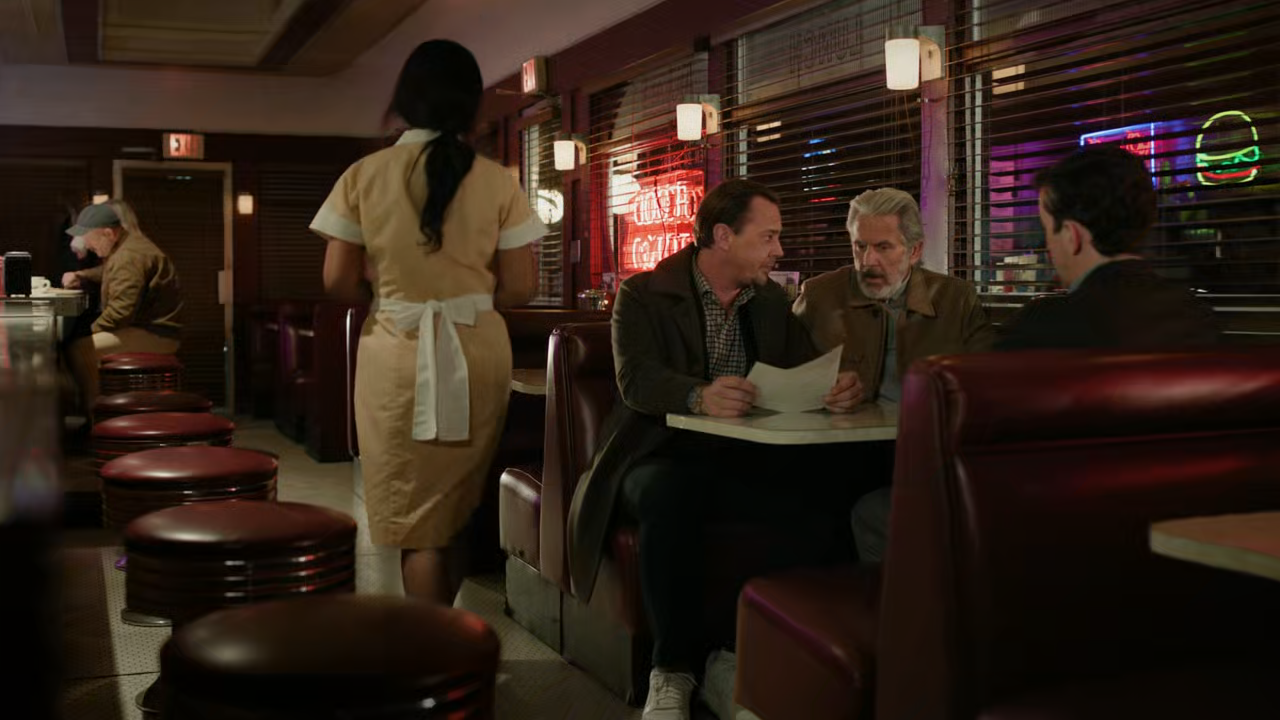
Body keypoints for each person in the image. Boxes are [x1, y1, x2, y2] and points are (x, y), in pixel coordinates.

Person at [566, 179, 863, 720]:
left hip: (739, 455)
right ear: (723, 236)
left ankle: (732, 655)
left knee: (830, 492)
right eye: (768, 237)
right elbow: (637, 380)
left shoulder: (770, 302)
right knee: (670, 493)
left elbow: (804, 369)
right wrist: (698, 396)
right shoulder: (643, 294)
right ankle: (671, 669)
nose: (779, 250)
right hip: (651, 453)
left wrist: (839, 386)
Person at [312, 39, 543, 605]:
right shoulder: (498, 181)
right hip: (478, 350)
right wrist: (468, 292)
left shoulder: (364, 175)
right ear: (470, 104)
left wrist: (389, 289)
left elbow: (337, 283)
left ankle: (428, 645)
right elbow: (521, 288)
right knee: (456, 509)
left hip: (397, 349)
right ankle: (445, 635)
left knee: (417, 522)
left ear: (405, 99)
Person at [793, 187, 996, 562]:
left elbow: (987, 388)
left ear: (914, 250)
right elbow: (784, 375)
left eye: (883, 247)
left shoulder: (956, 299)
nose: (867, 261)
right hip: (840, 454)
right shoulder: (820, 295)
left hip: (930, 452)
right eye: (859, 246)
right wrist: (820, 389)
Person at [996, 145, 1220, 349]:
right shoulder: (1195, 316)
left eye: (1047, 230)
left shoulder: (1042, 328)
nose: (1048, 247)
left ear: (1071, 236)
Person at [63, 199, 183, 419]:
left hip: (156, 334)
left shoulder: (128, 257)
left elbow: (120, 313)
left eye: (91, 242)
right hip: (153, 328)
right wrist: (82, 275)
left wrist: (91, 330)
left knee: (81, 349)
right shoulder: (128, 246)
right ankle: (99, 412)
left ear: (108, 234)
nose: (88, 247)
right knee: (83, 343)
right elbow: (110, 272)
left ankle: (98, 416)